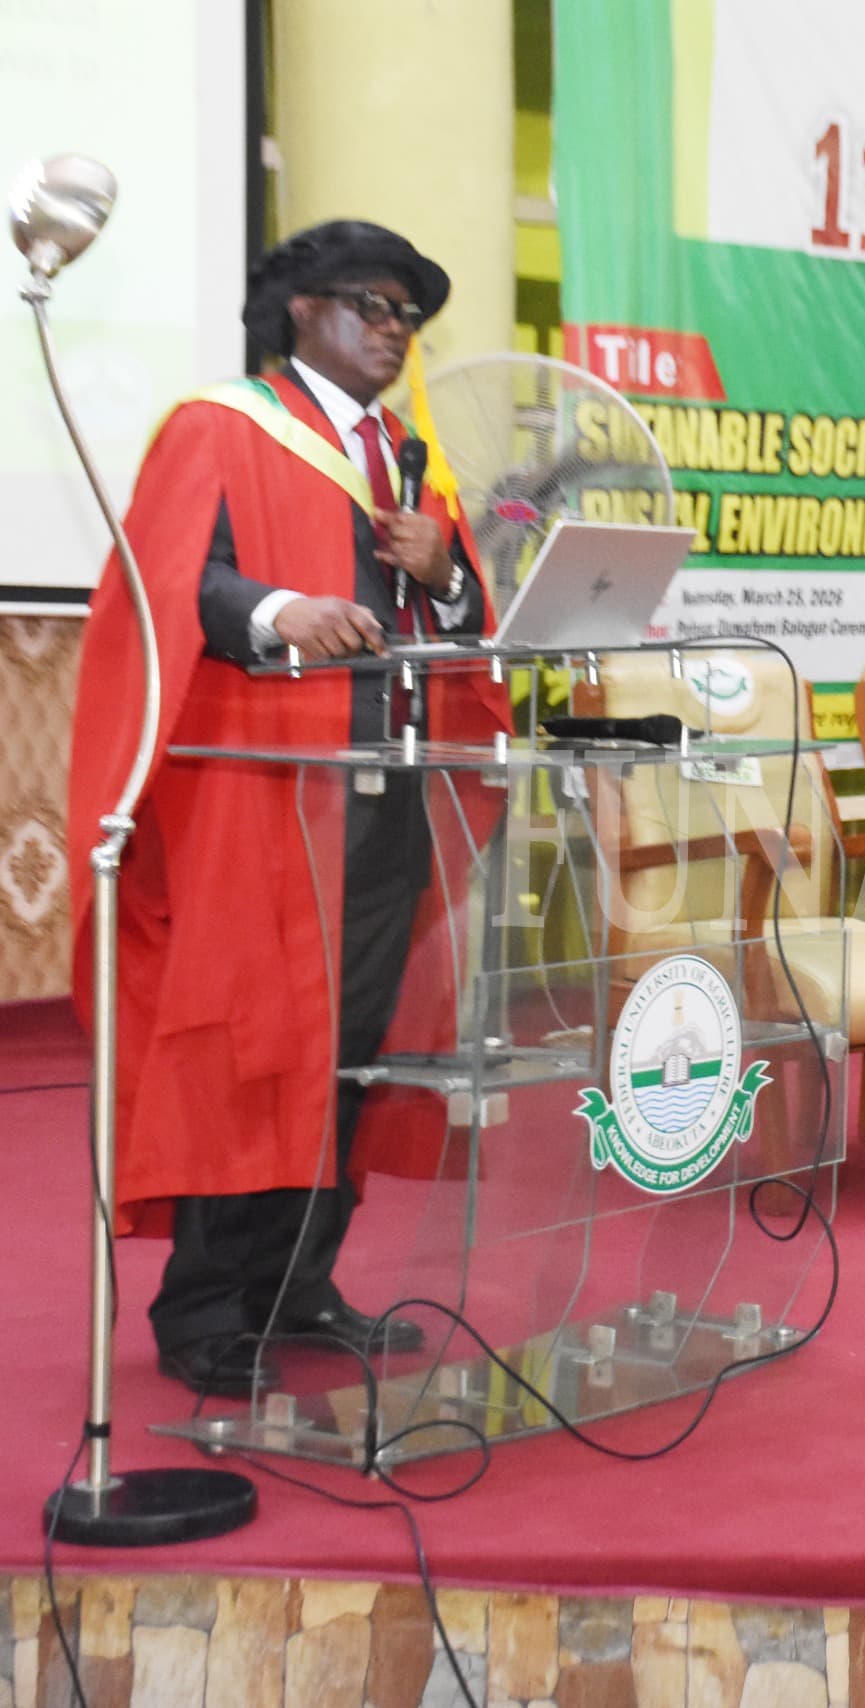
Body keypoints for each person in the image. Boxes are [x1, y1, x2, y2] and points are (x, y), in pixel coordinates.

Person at [65, 220, 507, 1396]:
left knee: (354, 1051)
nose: (395, 329)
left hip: (391, 792)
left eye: (408, 314)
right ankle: (206, 1307)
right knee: (252, 1049)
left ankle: (298, 1282)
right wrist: (276, 611)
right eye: (373, 304)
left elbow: (462, 621)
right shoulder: (222, 425)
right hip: (264, 794)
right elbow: (169, 579)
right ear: (303, 308)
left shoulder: (407, 459)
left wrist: (444, 573)